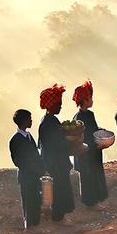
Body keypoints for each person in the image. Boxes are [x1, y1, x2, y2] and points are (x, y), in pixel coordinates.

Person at [37, 84, 76, 222]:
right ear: (50, 105)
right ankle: (59, 217)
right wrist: (70, 140)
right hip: (55, 163)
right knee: (60, 189)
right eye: (58, 104)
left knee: (58, 188)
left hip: (53, 161)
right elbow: (54, 145)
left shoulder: (49, 120)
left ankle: (55, 213)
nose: (60, 107)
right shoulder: (48, 123)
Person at [72, 80, 108, 209]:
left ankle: (96, 200)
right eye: (90, 98)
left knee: (95, 175)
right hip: (86, 152)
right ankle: (91, 202)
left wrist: (101, 132)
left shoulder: (90, 114)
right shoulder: (78, 119)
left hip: (93, 151)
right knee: (88, 177)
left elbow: (93, 130)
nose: (92, 100)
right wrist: (96, 144)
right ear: (85, 100)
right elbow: (81, 138)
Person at [9, 109, 45, 229]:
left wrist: (43, 169)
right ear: (24, 121)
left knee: (36, 200)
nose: (31, 121)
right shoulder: (15, 140)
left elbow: (36, 155)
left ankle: (35, 224)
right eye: (29, 118)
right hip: (26, 176)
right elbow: (19, 162)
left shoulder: (29, 136)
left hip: (34, 175)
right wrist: (37, 170)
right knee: (28, 202)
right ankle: (29, 226)